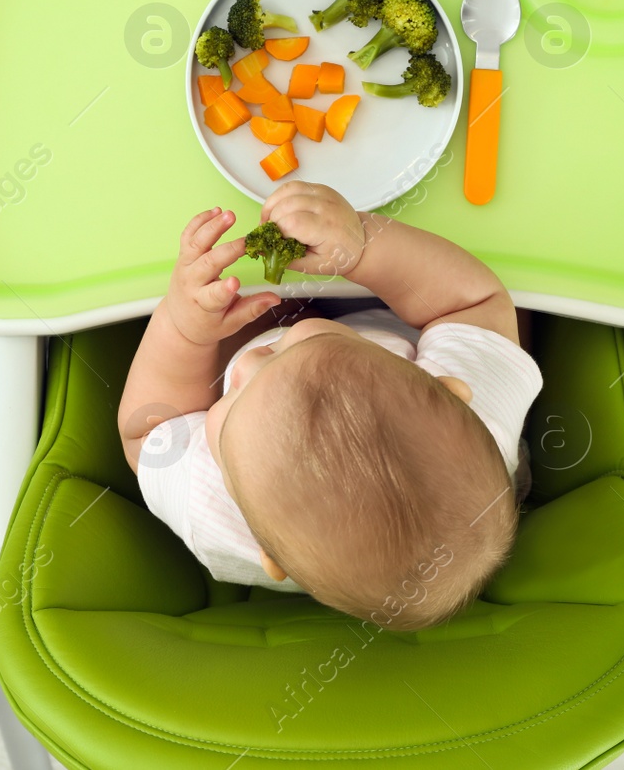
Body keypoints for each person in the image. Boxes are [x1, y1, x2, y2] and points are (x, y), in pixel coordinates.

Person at [117, 182, 541, 630]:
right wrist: (363, 248)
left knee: (214, 349)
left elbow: (146, 433)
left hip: (247, 337)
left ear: (268, 556)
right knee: (507, 317)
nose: (244, 369)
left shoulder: (212, 511)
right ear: (449, 386)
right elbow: (476, 300)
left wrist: (184, 330)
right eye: (290, 347)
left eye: (234, 402)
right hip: (403, 317)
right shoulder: (478, 412)